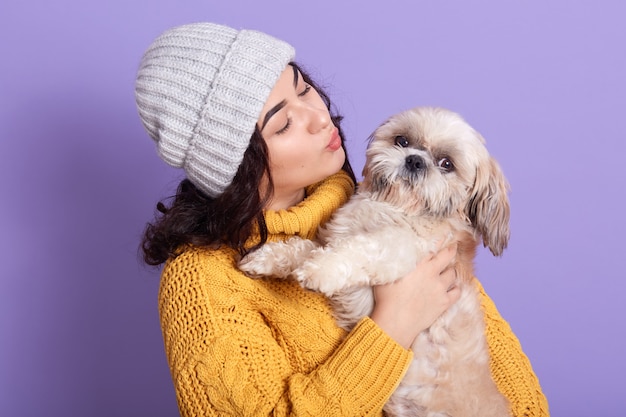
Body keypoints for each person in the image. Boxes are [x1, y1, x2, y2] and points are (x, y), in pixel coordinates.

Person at [135, 22, 549, 416]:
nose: (319, 116)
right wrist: (392, 325)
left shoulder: (386, 207)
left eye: (304, 89)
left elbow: (522, 398)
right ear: (236, 165)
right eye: (284, 123)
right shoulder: (202, 283)